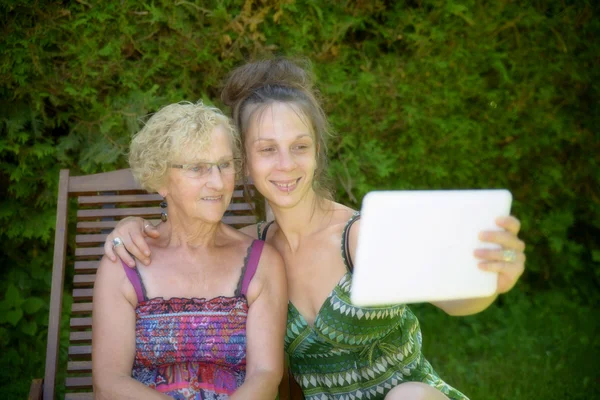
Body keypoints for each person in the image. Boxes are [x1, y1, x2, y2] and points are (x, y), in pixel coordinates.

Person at [103, 59, 526, 400]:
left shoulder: (359, 236)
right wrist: (130, 227)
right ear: (245, 163)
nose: (285, 164)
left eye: (299, 147)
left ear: (317, 152)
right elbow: (188, 239)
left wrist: (491, 280)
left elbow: (456, 299)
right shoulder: (251, 250)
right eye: (268, 150)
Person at [92, 101, 287, 399]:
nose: (218, 182)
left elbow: (266, 374)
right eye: (197, 168)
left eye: (224, 164)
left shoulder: (261, 263)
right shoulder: (125, 262)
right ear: (161, 180)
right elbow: (110, 381)